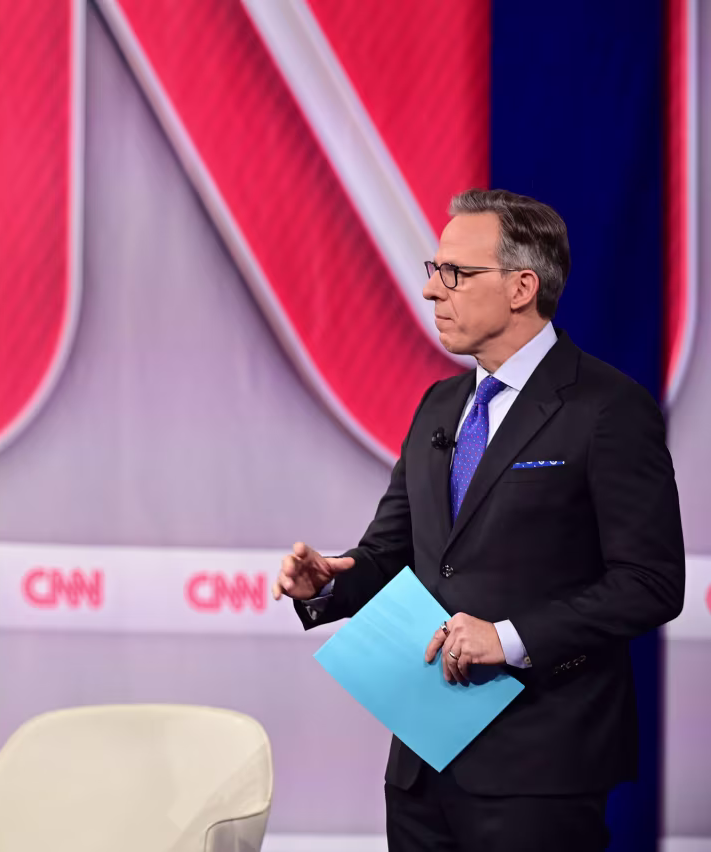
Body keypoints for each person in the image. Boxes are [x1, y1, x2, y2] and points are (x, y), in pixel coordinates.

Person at [272, 189, 684, 851]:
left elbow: (651, 582)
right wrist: (329, 580)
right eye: (433, 270)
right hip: (421, 766)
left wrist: (512, 637)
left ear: (522, 286)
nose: (434, 292)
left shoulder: (607, 409)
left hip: (541, 765)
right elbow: (392, 553)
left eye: (455, 274)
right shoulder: (439, 405)